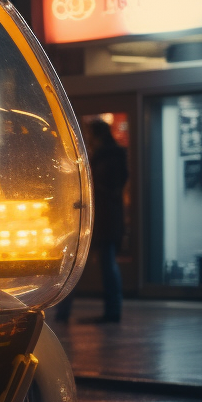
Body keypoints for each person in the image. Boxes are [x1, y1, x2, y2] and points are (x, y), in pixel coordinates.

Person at [55, 119, 128, 324]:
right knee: (102, 264)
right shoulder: (112, 155)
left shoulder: (105, 157)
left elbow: (103, 188)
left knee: (79, 264)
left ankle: (66, 312)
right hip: (107, 220)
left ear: (97, 136)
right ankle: (110, 310)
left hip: (101, 220)